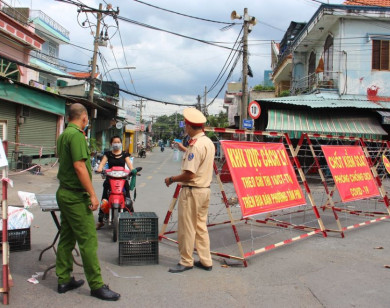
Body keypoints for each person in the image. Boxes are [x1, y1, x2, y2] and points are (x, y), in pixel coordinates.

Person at [56, 103, 120, 301]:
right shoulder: (76, 135)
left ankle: (64, 278)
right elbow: (79, 167)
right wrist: (92, 194)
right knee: (88, 240)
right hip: (75, 196)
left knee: (67, 237)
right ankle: (96, 285)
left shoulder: (64, 134)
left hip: (65, 193)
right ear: (84, 117)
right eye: (87, 118)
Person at [164, 107, 215, 273]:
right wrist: (184, 149)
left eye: (186, 126)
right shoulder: (207, 142)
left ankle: (186, 261)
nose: (185, 129)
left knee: (187, 227)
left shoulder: (195, 145)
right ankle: (206, 260)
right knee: (200, 226)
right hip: (204, 191)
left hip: (192, 191)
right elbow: (199, 160)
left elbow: (189, 174)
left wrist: (171, 179)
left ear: (190, 126)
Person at [95, 136, 134, 229]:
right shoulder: (108, 154)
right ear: (111, 144)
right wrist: (100, 168)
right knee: (104, 198)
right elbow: (102, 163)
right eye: (114, 142)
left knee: (128, 198)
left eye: (118, 142)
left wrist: (133, 170)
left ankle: (133, 220)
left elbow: (129, 164)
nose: (116, 144)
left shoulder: (125, 154)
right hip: (110, 179)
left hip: (122, 180)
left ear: (121, 143)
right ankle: (100, 221)